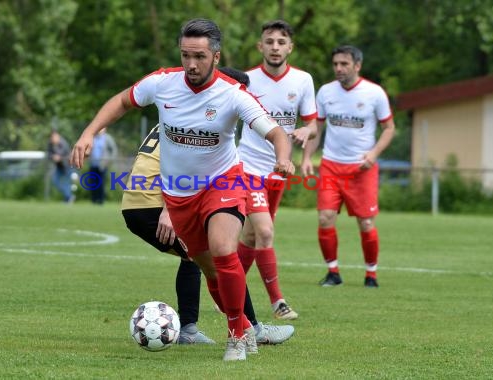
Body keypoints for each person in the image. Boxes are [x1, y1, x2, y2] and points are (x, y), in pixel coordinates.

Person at [71, 19, 294, 361]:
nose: (192, 64)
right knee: (209, 270)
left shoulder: (233, 94)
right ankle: (246, 326)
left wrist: (283, 157)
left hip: (224, 181)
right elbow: (121, 101)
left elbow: (276, 132)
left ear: (216, 57)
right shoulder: (162, 83)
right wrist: (89, 133)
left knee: (223, 249)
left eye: (200, 56)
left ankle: (237, 334)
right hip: (179, 196)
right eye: (186, 55)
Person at [121, 121, 294, 347]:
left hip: (133, 204)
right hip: (154, 203)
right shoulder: (197, 119)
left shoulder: (174, 112)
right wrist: (168, 209)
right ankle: (254, 328)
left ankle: (189, 330)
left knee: (196, 256)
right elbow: (180, 165)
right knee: (221, 260)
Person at [236, 20, 318, 320]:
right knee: (266, 232)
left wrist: (305, 135)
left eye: (281, 42)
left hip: (280, 172)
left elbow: (313, 124)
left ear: (290, 47)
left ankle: (227, 290)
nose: (275, 47)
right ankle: (278, 302)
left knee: (250, 237)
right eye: (269, 41)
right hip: (249, 168)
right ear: (260, 46)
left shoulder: (303, 80)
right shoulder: (246, 80)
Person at [299, 45, 395, 288]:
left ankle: (371, 275)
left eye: (344, 64)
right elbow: (316, 129)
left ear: (357, 66)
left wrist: (373, 154)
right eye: (335, 64)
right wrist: (308, 158)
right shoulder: (326, 92)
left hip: (361, 169)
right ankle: (333, 273)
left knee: (365, 222)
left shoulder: (374, 93)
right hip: (331, 166)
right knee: (325, 218)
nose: (339, 68)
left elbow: (389, 128)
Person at [89, 128, 118, 204]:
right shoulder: (93, 137)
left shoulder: (107, 138)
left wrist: (109, 160)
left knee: (101, 182)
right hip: (93, 164)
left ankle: (101, 200)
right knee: (93, 183)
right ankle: (94, 200)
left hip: (102, 165)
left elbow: (114, 150)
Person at [47, 130, 75, 203]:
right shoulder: (50, 144)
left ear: (58, 136)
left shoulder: (63, 143)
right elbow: (49, 154)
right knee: (55, 181)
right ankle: (68, 196)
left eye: (54, 137)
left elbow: (66, 154)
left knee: (66, 182)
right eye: (52, 137)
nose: (53, 139)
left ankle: (68, 198)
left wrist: (59, 157)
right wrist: (53, 156)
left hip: (67, 166)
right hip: (59, 167)